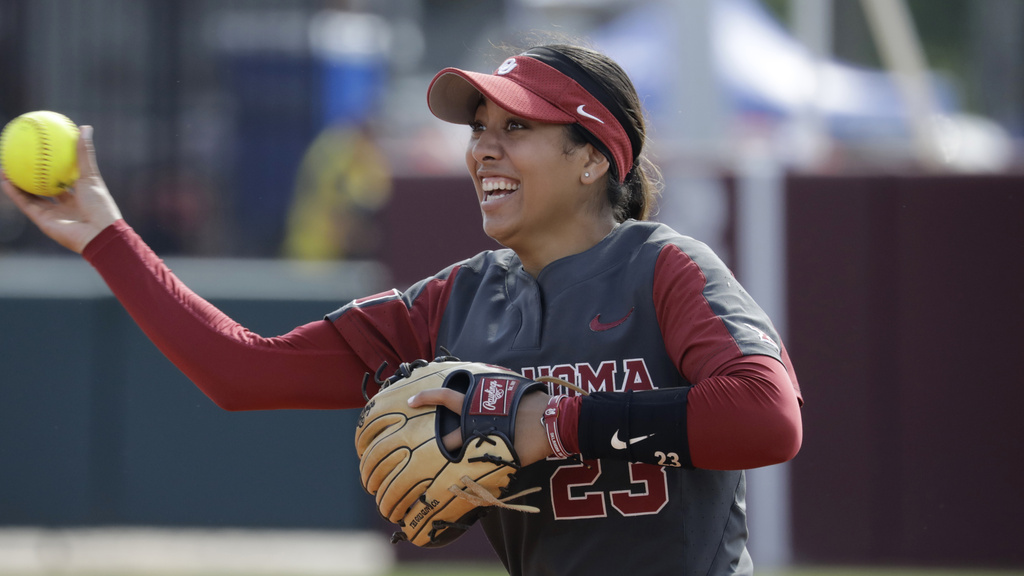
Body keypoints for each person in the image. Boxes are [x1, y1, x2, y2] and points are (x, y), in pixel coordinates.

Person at [2, 43, 802, 575]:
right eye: (479, 129)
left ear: (594, 157)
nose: (482, 148)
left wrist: (549, 424)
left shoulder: (664, 267)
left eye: (516, 128)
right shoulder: (452, 300)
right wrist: (105, 235)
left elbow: (768, 418)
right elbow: (239, 370)